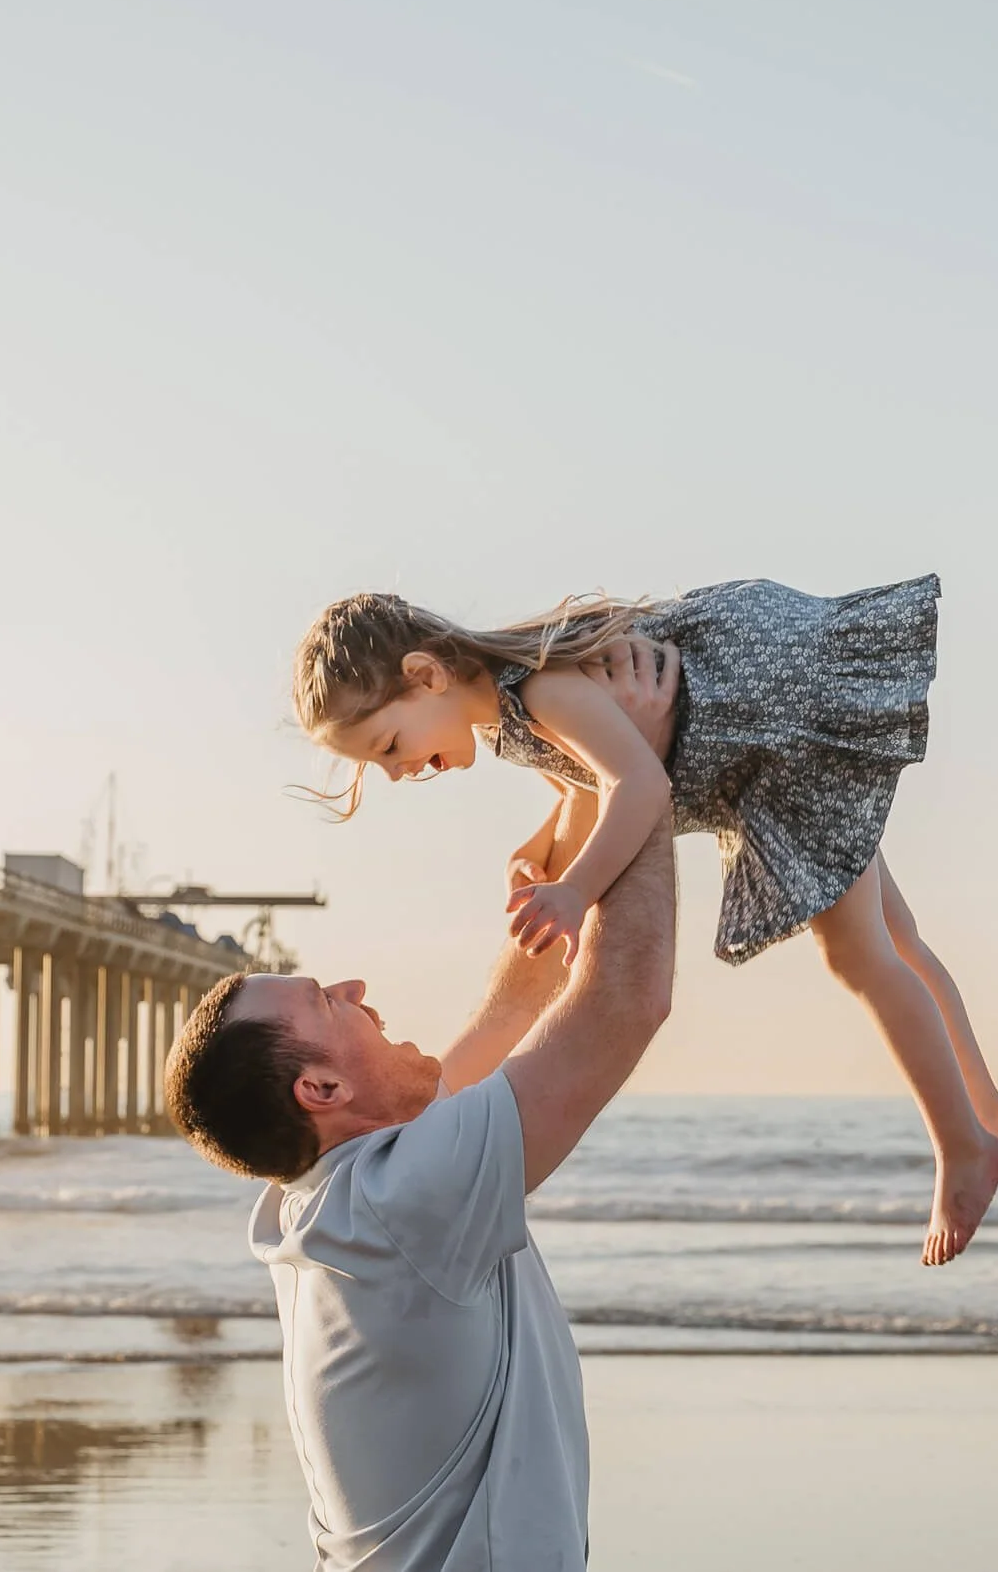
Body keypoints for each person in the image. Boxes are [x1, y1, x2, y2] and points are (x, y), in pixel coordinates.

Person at [292, 578, 998, 1266]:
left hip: (769, 720)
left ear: (426, 675)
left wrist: (576, 890)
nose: (397, 772)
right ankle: (990, 1111)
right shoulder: (513, 715)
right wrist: (541, 847)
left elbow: (637, 782)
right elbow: (592, 780)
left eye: (389, 747)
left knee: (857, 956)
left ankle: (963, 1148)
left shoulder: (537, 688)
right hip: (764, 719)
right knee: (896, 939)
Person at [164, 640, 683, 1571]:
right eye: (330, 1000)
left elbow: (515, 1010)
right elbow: (627, 997)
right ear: (319, 1090)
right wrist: (646, 765)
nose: (357, 985)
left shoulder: (336, 1201)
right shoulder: (403, 1206)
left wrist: (575, 824)